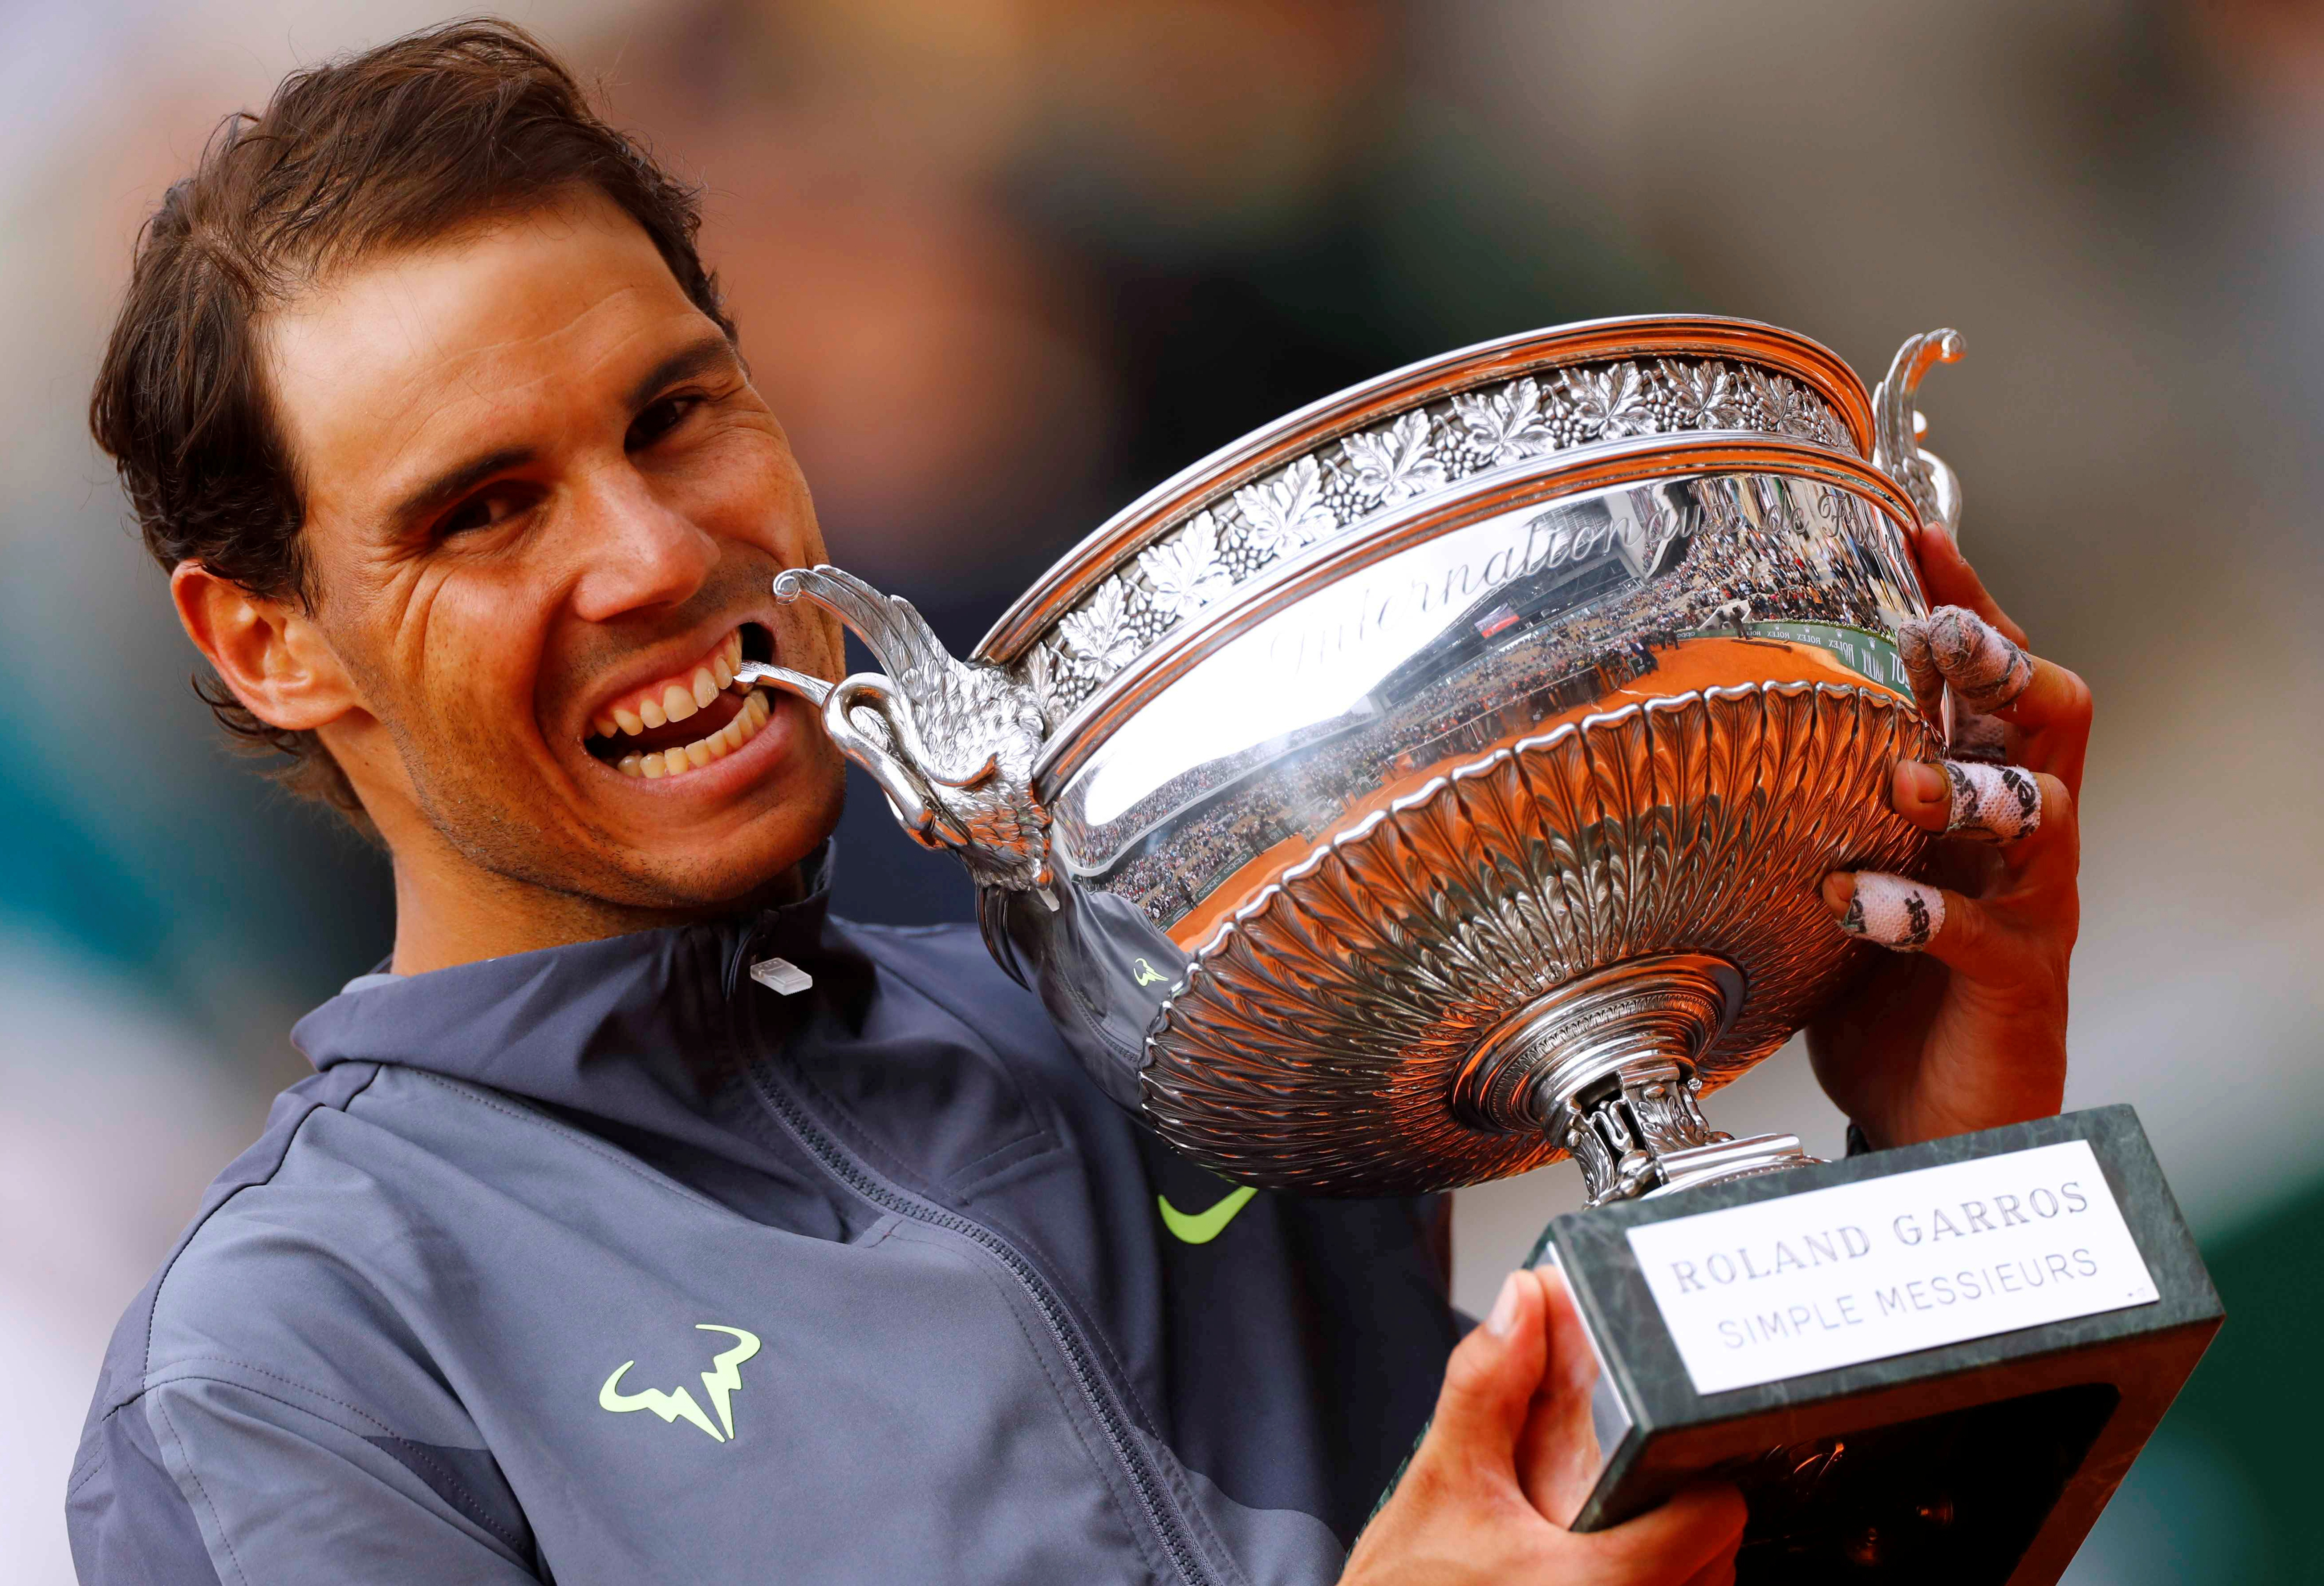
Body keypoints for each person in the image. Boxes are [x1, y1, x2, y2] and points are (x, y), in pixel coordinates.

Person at [66, 22, 2089, 1586]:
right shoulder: (297, 1366)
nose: (656, 556)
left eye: (675, 416)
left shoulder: (1180, 1009)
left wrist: (1944, 1168)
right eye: (484, 512)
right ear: (270, 642)